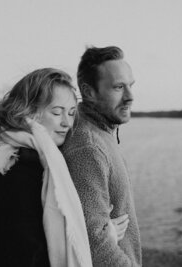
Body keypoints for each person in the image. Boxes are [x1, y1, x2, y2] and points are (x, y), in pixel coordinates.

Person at [0, 68, 94, 267]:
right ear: (29, 112)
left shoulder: (17, 155)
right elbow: (29, 250)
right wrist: (99, 238)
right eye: (56, 112)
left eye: (71, 113)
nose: (67, 123)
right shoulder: (22, 165)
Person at [61, 46, 142, 266]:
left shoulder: (101, 133)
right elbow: (95, 245)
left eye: (130, 86)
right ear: (88, 92)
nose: (130, 97)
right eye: (118, 87)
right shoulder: (88, 147)